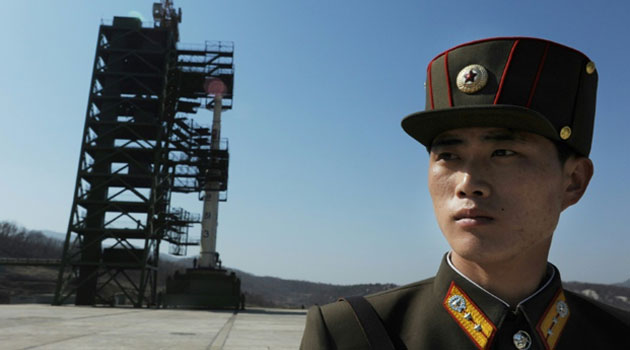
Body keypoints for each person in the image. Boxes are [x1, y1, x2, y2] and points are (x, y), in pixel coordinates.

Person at [300, 37, 630, 349]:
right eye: (448, 155)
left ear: (573, 181)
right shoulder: (352, 335)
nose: (467, 183)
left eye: (503, 152)